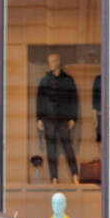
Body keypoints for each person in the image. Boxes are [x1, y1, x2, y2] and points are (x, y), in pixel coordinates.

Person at [36, 52, 80, 186]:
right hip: (49, 118)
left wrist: (73, 117)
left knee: (68, 146)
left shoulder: (68, 80)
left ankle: (74, 174)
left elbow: (74, 99)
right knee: (51, 149)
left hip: (64, 118)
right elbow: (40, 101)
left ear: (59, 61)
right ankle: (53, 178)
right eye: (50, 61)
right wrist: (40, 118)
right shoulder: (44, 81)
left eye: (55, 60)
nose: (52, 63)